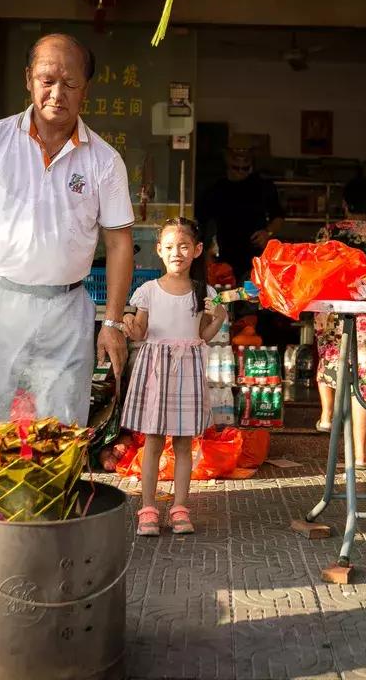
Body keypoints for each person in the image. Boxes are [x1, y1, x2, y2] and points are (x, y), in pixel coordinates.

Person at [0, 34, 135, 486]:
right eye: (47, 79)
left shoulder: (105, 161)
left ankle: (50, 531)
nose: (57, 93)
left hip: (66, 309)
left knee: (62, 429)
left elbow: (119, 243)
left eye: (70, 83)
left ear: (86, 89)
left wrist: (113, 323)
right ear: (29, 81)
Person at [122, 217, 226, 536]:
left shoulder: (202, 291)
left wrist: (219, 318)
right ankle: (148, 509)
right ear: (159, 251)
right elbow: (140, 332)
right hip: (155, 368)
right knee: (152, 440)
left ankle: (180, 507)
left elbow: (204, 335)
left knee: (183, 443)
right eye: (169, 247)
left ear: (196, 250)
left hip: (188, 368)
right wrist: (129, 324)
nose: (176, 252)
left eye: (183, 246)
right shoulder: (148, 291)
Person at [314, 176, 366, 470]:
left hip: (332, 308)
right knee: (365, 378)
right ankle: (361, 455)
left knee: (329, 357)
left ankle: (326, 416)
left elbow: (315, 268)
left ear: (345, 204)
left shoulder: (328, 232)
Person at [195, 137, 284, 282]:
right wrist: (207, 252)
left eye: (246, 168)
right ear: (228, 165)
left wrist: (268, 232)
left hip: (255, 255)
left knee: (253, 299)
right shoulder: (216, 189)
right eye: (236, 167)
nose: (241, 171)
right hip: (224, 255)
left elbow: (278, 216)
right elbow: (202, 221)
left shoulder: (263, 186)